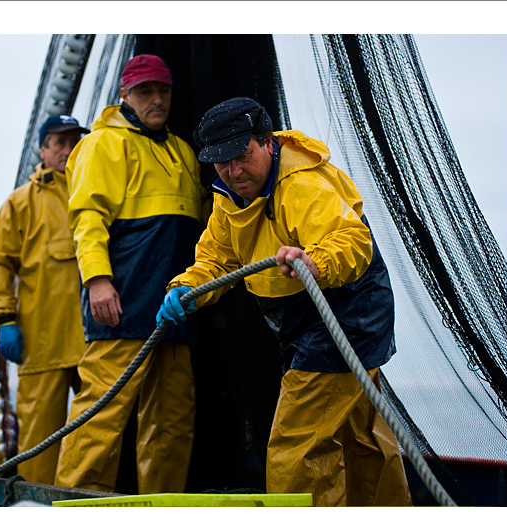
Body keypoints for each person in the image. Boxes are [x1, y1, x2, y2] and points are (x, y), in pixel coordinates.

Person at [157, 97, 412, 506]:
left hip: (343, 311)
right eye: (221, 163)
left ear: (268, 143)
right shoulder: (227, 196)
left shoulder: (301, 184)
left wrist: (316, 264)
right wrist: (186, 288)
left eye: (241, 157)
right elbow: (216, 259)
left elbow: (351, 239)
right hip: (299, 318)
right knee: (359, 434)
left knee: (297, 443)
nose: (233, 171)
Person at [53, 54, 207, 494]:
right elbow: (87, 220)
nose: (156, 99)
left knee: (173, 418)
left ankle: (161, 510)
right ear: (125, 94)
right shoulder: (102, 144)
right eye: (145, 91)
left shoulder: (181, 150)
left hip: (174, 303)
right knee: (100, 411)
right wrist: (98, 281)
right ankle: (74, 505)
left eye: (163, 90)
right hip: (122, 300)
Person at [0, 115, 90, 484]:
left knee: (99, 434)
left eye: (74, 140)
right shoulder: (21, 202)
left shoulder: (96, 188)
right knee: (39, 442)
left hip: (98, 340)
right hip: (43, 343)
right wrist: (5, 319)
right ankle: (37, 510)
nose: (67, 149)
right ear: (42, 150)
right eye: (58, 142)